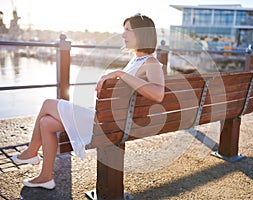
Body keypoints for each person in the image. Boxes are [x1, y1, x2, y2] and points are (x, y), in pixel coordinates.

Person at [11, 14, 165, 190]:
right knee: (46, 123)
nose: (123, 35)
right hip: (107, 119)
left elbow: (158, 94)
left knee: (48, 103)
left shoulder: (151, 61)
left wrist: (120, 74)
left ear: (141, 34)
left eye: (128, 30)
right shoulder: (137, 60)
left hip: (104, 123)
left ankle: (31, 152)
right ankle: (45, 177)